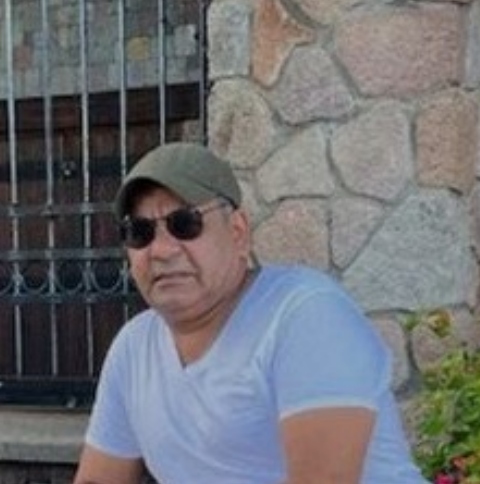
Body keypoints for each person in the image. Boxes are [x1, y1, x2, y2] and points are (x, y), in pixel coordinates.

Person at [73, 142, 428, 484]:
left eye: (185, 223)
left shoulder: (305, 316)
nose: (161, 250)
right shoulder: (134, 348)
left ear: (238, 232)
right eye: (140, 232)